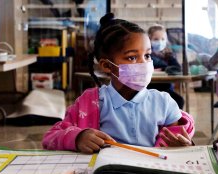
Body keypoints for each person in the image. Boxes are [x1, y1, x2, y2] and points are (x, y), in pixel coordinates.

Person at [42, 13, 195, 154]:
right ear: (107, 66)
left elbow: (180, 145)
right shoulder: (91, 103)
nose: (144, 63)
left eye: (147, 55)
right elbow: (51, 137)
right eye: (131, 58)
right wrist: (78, 137)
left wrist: (183, 148)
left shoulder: (164, 103)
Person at [147, 24, 185, 109]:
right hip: (151, 89)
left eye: (163, 39)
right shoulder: (146, 55)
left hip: (167, 89)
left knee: (179, 101)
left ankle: (173, 122)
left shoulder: (168, 55)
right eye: (156, 39)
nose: (160, 42)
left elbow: (177, 69)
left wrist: (163, 69)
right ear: (149, 39)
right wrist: (166, 68)